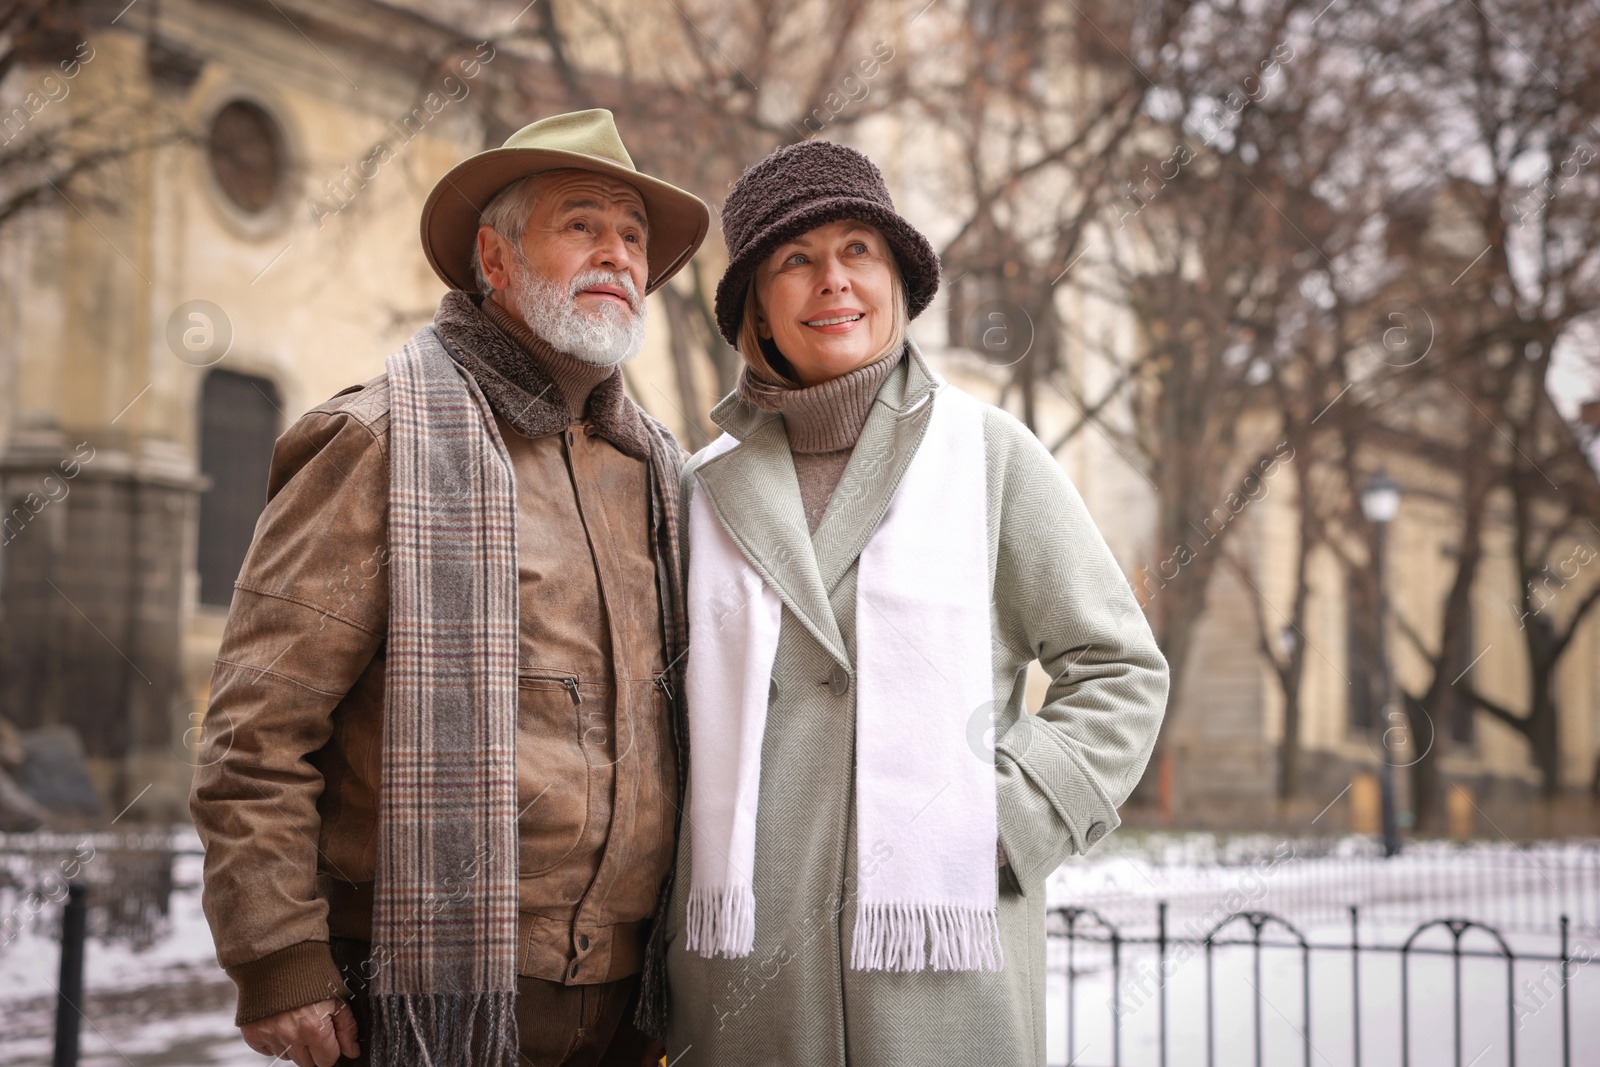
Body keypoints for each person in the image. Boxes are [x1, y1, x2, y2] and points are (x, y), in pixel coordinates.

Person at [189, 109, 709, 1067]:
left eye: (633, 236)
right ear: (495, 261)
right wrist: (276, 954)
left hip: (632, 1005)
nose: (618, 255)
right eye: (582, 224)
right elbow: (255, 730)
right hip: (414, 993)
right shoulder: (379, 439)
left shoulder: (659, 477)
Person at [662, 139, 1170, 1065]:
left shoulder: (989, 454)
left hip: (941, 971)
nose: (833, 281)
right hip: (740, 986)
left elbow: (1120, 669)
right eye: (795, 261)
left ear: (897, 280)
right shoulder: (697, 491)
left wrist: (1009, 822)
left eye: (859, 250)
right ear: (758, 311)